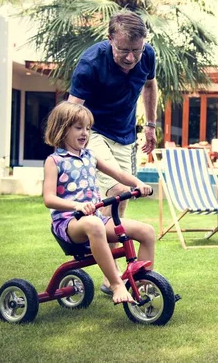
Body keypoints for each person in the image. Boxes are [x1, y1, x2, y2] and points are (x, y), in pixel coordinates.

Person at [68, 10, 158, 294]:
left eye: (136, 50)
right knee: (118, 186)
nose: (131, 58)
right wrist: (71, 150)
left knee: (118, 201)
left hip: (126, 134)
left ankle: (111, 267)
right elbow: (73, 109)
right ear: (109, 40)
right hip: (92, 131)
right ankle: (111, 278)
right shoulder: (91, 63)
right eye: (123, 50)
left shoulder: (148, 56)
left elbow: (150, 86)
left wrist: (151, 126)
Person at [42, 102, 155, 304]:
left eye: (87, 128)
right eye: (78, 128)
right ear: (61, 129)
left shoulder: (90, 156)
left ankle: (143, 286)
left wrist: (138, 183)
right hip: (69, 224)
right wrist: (76, 206)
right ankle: (116, 284)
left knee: (146, 231)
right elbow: (48, 199)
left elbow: (118, 173)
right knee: (94, 223)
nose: (85, 133)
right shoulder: (55, 161)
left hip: (94, 219)